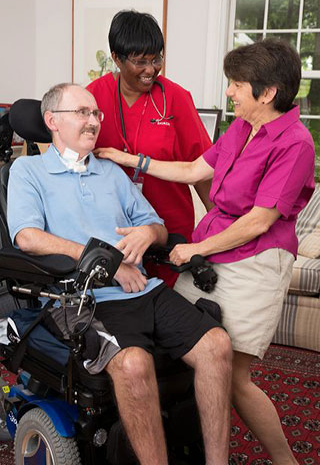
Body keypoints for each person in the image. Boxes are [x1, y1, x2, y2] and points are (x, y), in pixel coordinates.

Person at [95, 39, 315, 465]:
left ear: (267, 92)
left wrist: (195, 248)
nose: (229, 93)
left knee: (233, 377)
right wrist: (128, 158)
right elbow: (195, 169)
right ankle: (183, 441)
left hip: (256, 262)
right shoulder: (242, 127)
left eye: (236, 84)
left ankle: (287, 461)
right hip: (213, 255)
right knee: (181, 350)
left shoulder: (296, 143)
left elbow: (259, 221)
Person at [7, 83, 232, 465]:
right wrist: (107, 261)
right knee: (133, 364)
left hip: (144, 288)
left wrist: (149, 232)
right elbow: (27, 237)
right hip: (80, 298)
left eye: (96, 114)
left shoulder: (111, 172)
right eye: (82, 113)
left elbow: (157, 226)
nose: (94, 121)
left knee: (217, 346)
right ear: (52, 121)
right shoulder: (28, 171)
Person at [87, 10, 213, 287]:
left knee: (170, 312)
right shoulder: (92, 97)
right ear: (117, 58)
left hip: (170, 235)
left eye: (156, 59)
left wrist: (219, 231)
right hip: (114, 233)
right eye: (141, 61)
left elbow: (203, 168)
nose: (151, 69)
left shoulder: (176, 99)